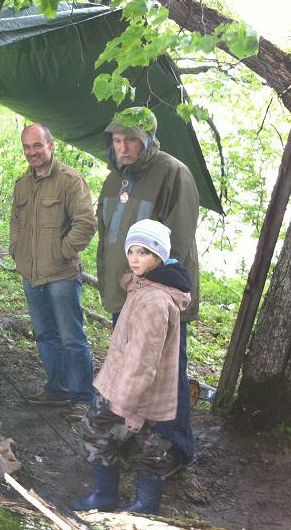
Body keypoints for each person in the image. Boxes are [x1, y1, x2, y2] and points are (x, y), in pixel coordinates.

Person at [96, 107, 199, 468]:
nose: (122, 148)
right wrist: (112, 283)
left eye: (130, 141)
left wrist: (147, 287)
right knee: (130, 370)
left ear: (148, 140)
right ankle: (137, 440)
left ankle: (176, 448)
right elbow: (106, 236)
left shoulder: (173, 172)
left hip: (158, 299)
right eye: (117, 140)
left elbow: (179, 240)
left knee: (167, 373)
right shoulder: (115, 179)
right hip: (122, 294)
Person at [73, 219, 192, 514]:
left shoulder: (154, 301)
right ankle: (109, 496)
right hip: (119, 383)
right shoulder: (147, 285)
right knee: (115, 436)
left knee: (137, 442)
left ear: (160, 257)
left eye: (144, 252)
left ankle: (139, 504)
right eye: (131, 251)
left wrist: (126, 404)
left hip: (131, 392)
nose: (135, 258)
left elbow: (143, 361)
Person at [10, 123, 97, 419]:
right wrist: (16, 250)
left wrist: (63, 252)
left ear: (51, 145)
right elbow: (17, 223)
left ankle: (82, 397)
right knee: (45, 334)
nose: (32, 152)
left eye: (37, 146)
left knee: (71, 336)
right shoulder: (22, 184)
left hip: (61, 275)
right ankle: (56, 389)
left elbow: (85, 223)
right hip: (31, 274)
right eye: (27, 147)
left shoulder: (70, 180)